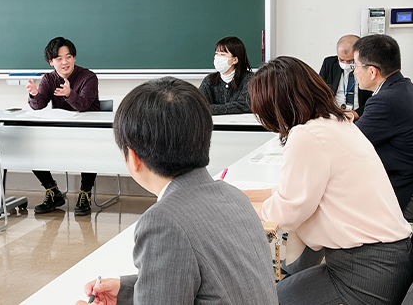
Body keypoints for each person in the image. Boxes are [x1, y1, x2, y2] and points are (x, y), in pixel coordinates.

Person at [76, 77, 278, 305]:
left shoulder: (163, 222)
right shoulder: (234, 196)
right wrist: (125, 290)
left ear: (133, 158)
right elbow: (206, 281)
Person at [243, 56, 413, 305]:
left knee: (269, 298)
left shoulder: (307, 135)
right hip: (388, 261)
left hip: (366, 272)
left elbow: (285, 213)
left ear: (276, 106)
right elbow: (297, 191)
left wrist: (240, 206)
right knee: (281, 290)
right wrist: (246, 196)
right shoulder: (337, 123)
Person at [26, 36, 100, 216]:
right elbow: (39, 106)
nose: (65, 62)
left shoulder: (88, 77)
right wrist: (35, 95)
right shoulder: (48, 79)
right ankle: (52, 192)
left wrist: (69, 94)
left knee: (90, 147)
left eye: (68, 57)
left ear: (74, 58)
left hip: (88, 132)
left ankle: (85, 193)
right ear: (51, 62)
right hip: (61, 131)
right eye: (59, 59)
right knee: (31, 147)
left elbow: (83, 105)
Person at [353, 34, 413, 221]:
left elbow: (350, 143)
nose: (354, 72)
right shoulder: (407, 88)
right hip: (411, 180)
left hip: (402, 190)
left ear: (372, 71)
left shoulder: (385, 101)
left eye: (355, 66)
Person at [319, 34, 371, 119]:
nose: (346, 64)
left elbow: (375, 98)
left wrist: (358, 113)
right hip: (334, 115)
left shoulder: (369, 68)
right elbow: (318, 91)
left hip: (360, 116)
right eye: (341, 60)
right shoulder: (329, 63)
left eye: (350, 61)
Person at [198, 36, 253, 115]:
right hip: (214, 125)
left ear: (234, 60)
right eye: (217, 54)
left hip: (242, 125)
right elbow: (199, 105)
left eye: (222, 54)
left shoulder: (249, 79)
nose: (218, 57)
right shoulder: (209, 80)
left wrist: (211, 109)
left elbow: (245, 106)